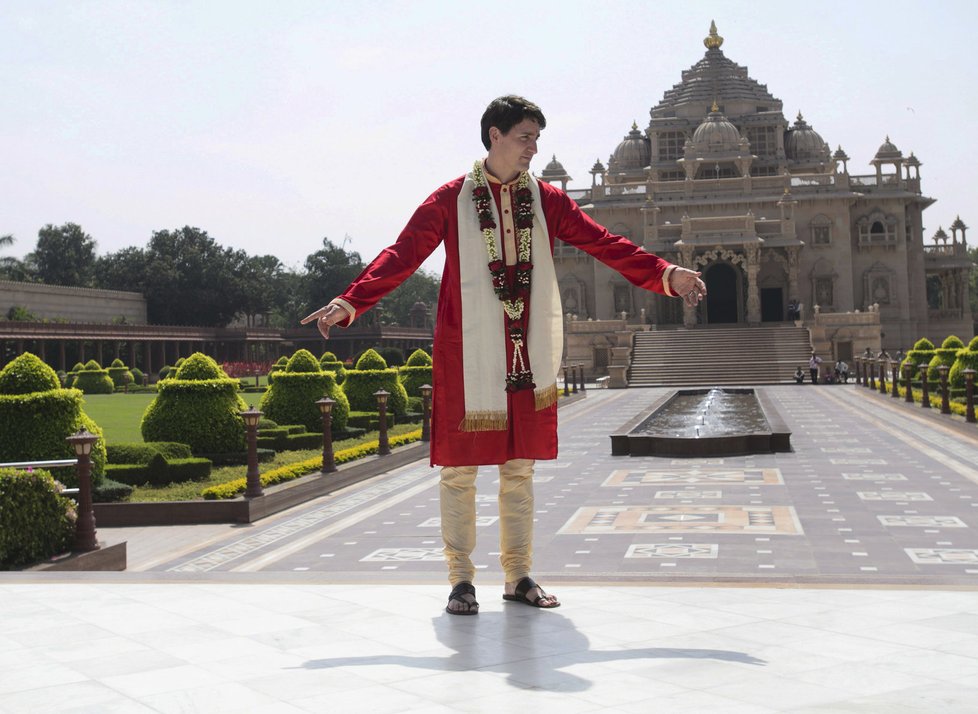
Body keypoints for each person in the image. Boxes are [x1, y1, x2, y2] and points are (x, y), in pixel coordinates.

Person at [301, 96, 706, 615]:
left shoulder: (544, 200)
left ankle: (518, 576)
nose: (533, 149)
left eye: (537, 139)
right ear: (494, 135)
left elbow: (603, 242)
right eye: (524, 138)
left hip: (527, 349)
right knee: (460, 471)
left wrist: (665, 274)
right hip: (468, 353)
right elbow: (401, 255)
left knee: (519, 467)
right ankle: (461, 579)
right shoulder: (450, 199)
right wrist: (349, 301)